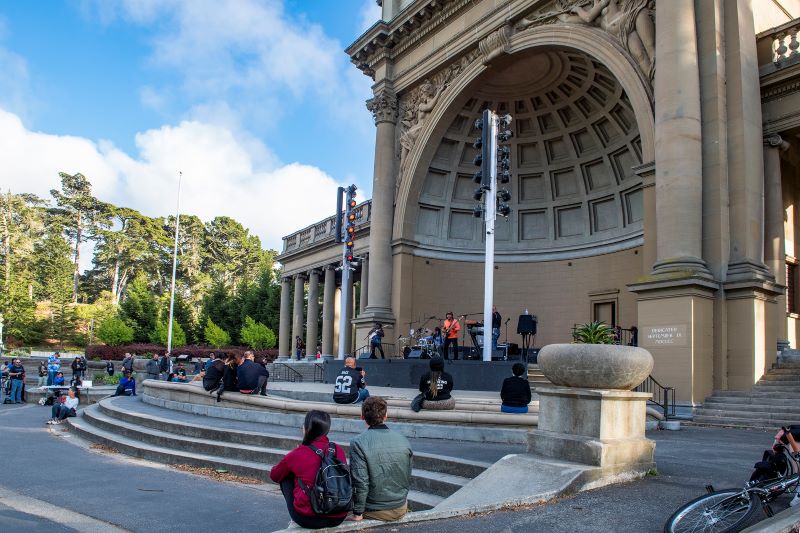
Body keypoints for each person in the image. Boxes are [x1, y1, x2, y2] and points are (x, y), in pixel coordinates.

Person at [270, 411, 349, 529]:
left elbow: (275, 475)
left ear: (306, 428)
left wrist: (292, 461)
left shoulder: (298, 453)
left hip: (308, 519)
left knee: (285, 477)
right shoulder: (337, 449)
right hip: (339, 515)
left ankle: (296, 518)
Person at [348, 397, 413, 522]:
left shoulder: (358, 442)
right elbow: (407, 475)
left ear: (362, 416)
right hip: (400, 506)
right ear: (386, 416)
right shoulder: (403, 440)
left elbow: (361, 482)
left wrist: (357, 513)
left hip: (375, 510)